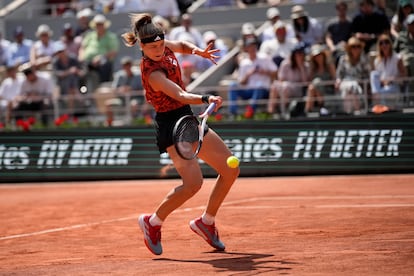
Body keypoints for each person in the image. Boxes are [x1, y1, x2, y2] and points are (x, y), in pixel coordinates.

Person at [121, 13, 239, 255]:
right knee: (193, 184)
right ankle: (152, 223)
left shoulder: (163, 46)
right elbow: (179, 94)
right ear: (141, 47)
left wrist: (200, 53)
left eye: (161, 45)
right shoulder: (152, 73)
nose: (158, 50)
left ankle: (206, 222)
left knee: (230, 169)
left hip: (187, 117)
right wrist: (206, 98)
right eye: (152, 47)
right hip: (171, 125)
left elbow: (182, 46)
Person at [228, 36, 277, 119]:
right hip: (249, 90)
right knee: (233, 85)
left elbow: (275, 72)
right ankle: (233, 113)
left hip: (263, 90)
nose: (252, 48)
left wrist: (264, 72)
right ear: (247, 48)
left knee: (258, 87)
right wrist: (248, 74)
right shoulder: (244, 63)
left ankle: (250, 112)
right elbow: (241, 82)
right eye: (250, 46)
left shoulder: (265, 58)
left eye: (254, 46)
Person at [267, 42, 310, 119]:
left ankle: (284, 112)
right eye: (297, 54)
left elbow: (305, 83)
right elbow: (281, 80)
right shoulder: (285, 64)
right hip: (285, 88)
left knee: (285, 87)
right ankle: (271, 111)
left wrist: (301, 67)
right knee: (275, 86)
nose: (299, 56)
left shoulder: (306, 66)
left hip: (298, 90)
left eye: (301, 54)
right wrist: (285, 84)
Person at [336, 37, 371, 114]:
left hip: (359, 85)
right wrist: (338, 81)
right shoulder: (343, 59)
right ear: (349, 49)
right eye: (353, 47)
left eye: (358, 46)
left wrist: (363, 84)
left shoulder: (364, 60)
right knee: (350, 88)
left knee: (352, 88)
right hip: (346, 83)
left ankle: (350, 113)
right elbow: (339, 75)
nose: (356, 49)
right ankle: (356, 111)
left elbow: (367, 75)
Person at [370, 34, 406, 108]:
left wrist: (391, 80)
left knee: (382, 93)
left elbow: (404, 76)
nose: (384, 45)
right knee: (373, 74)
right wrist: (383, 82)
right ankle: (376, 96)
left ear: (390, 44)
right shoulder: (377, 61)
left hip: (394, 86)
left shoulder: (398, 58)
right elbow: (378, 79)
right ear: (379, 46)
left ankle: (377, 101)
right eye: (381, 43)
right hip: (381, 87)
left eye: (386, 42)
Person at [305, 44, 336, 115]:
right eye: (316, 56)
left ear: (323, 55)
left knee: (316, 83)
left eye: (319, 55)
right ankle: (308, 110)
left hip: (328, 90)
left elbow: (334, 79)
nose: (318, 58)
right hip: (315, 92)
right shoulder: (313, 69)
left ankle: (321, 106)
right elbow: (309, 81)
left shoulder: (329, 66)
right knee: (313, 86)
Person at [324, 0, 352, 66]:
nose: (341, 11)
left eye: (343, 9)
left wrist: (347, 45)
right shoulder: (331, 24)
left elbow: (352, 37)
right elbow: (328, 38)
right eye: (339, 9)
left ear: (346, 10)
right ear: (336, 10)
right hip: (334, 49)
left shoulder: (350, 23)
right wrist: (332, 47)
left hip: (347, 49)